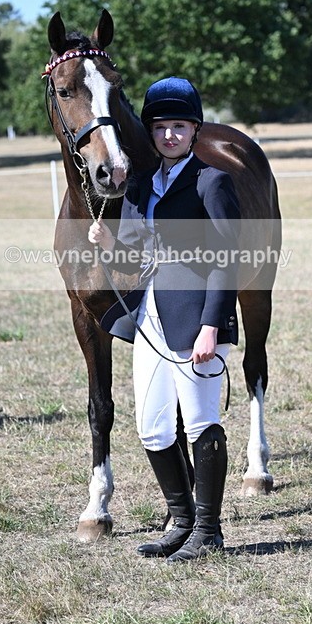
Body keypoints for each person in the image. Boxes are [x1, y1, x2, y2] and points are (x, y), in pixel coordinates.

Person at [88, 76, 240, 562]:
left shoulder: (212, 182)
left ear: (195, 130)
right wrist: (109, 243)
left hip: (195, 319)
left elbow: (228, 258)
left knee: (200, 421)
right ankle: (181, 521)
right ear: (150, 132)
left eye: (180, 126)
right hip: (148, 319)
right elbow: (137, 249)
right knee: (152, 426)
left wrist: (212, 327)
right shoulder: (141, 186)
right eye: (161, 127)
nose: (169, 135)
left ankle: (209, 531)